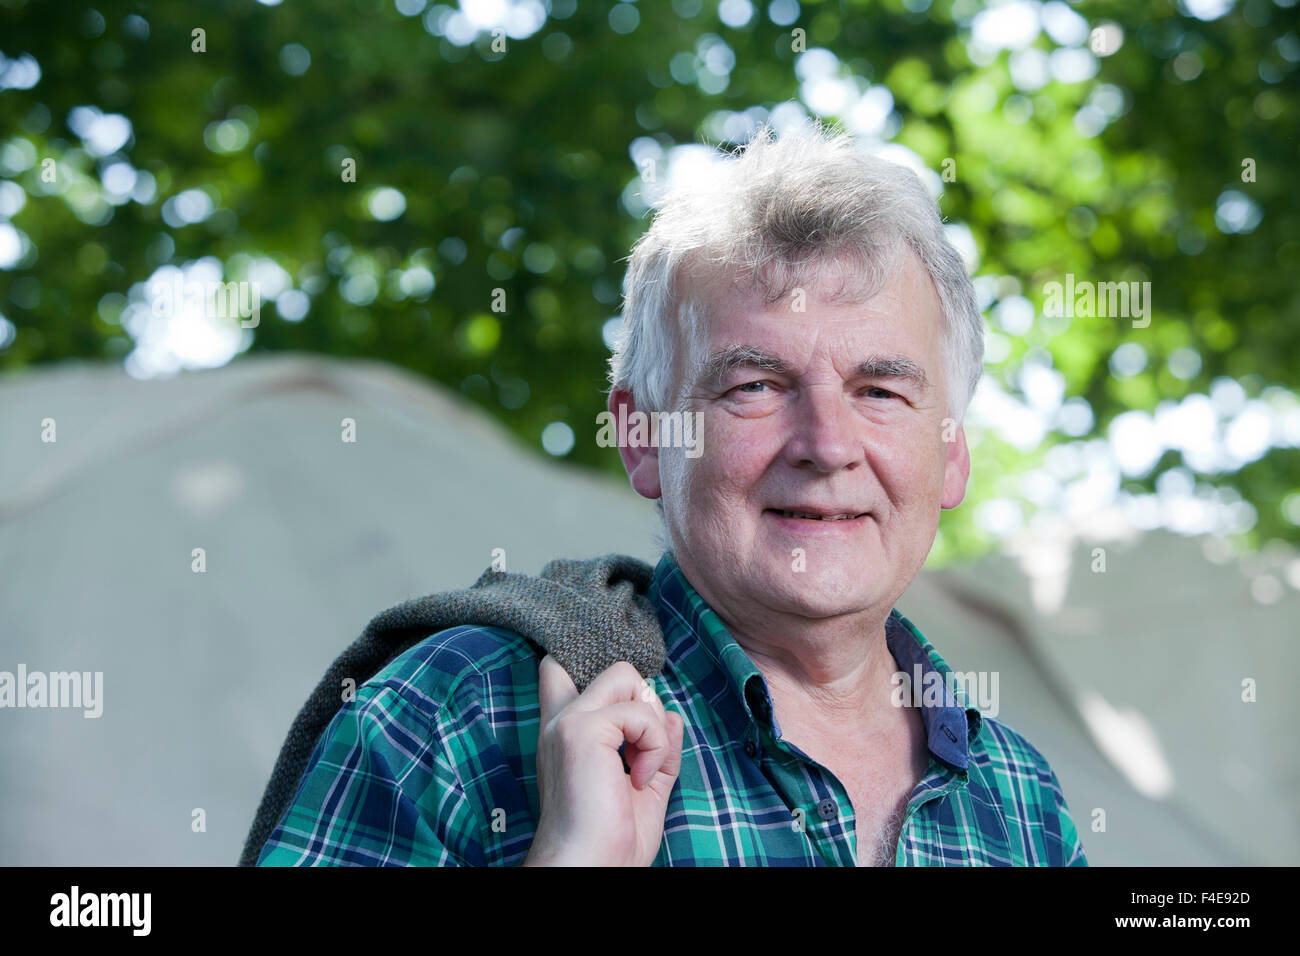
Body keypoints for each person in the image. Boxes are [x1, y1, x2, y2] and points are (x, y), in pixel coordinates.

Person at [256, 119, 1087, 866]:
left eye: (881, 392)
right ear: (643, 437)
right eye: (756, 386)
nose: (827, 445)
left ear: (951, 455)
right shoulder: (447, 718)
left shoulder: (1023, 801)